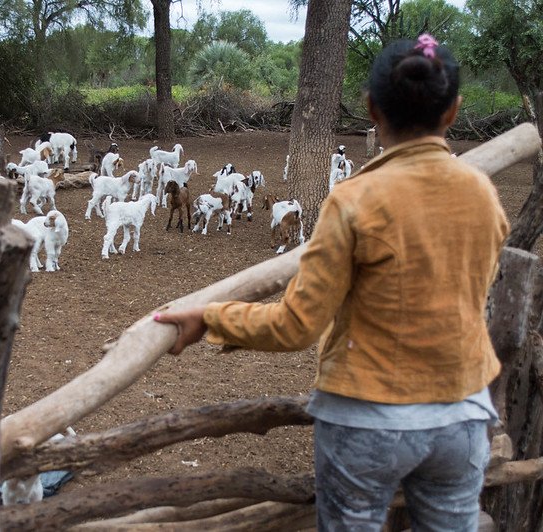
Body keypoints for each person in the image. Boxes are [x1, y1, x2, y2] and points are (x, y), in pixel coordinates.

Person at [154, 34, 509, 531]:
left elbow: (296, 324)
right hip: (461, 416)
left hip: (368, 417)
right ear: (454, 112)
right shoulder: (483, 195)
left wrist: (210, 317)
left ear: (371, 109)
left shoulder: (354, 200)